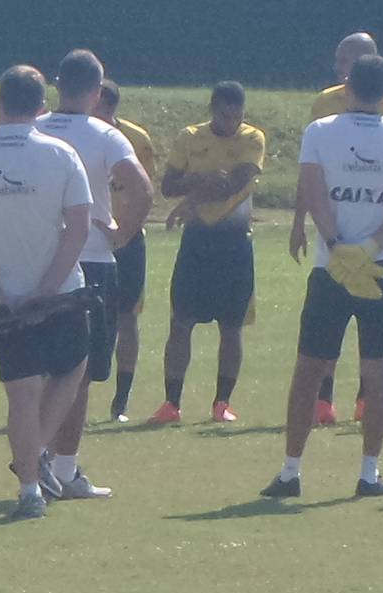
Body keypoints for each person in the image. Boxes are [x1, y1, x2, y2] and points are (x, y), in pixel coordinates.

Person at [266, 53, 383, 500]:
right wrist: (371, 248)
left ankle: (290, 471)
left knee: (310, 368)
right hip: (382, 266)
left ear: (348, 85)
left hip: (330, 266)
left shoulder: (319, 131)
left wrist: (338, 245)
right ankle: (370, 473)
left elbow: (314, 191)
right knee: (378, 371)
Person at [0, 65, 99, 519]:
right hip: (60, 292)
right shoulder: (61, 153)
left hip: (0, 297)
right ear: (41, 107)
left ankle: (30, 486)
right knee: (72, 368)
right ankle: (37, 454)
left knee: (21, 393)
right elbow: (79, 228)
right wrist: (48, 290)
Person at [33, 51, 149, 499]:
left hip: (42, 260)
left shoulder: (35, 127)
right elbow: (141, 188)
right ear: (98, 92)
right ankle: (60, 465)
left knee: (42, 368)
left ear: (58, 84)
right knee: (78, 374)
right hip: (92, 259)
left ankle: (42, 460)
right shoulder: (106, 134)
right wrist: (124, 234)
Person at [299, 31, 383, 424]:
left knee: (364, 356)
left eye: (345, 63)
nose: (338, 69)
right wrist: (367, 247)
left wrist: (338, 244)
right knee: (342, 354)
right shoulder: (324, 110)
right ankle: (362, 453)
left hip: (344, 257)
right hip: (376, 254)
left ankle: (295, 463)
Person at [153, 81, 268, 423]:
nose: (231, 123)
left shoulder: (252, 139)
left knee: (232, 326)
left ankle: (222, 402)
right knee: (181, 323)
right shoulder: (190, 137)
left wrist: (191, 199)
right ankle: (171, 403)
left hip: (234, 243)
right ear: (212, 111)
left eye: (237, 116)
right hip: (197, 242)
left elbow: (234, 183)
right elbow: (168, 185)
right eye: (224, 116)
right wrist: (199, 184)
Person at [93, 79, 158, 423]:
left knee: (127, 315)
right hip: (86, 241)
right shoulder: (77, 133)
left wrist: (125, 232)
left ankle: (121, 400)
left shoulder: (135, 139)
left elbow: (144, 190)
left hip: (127, 238)